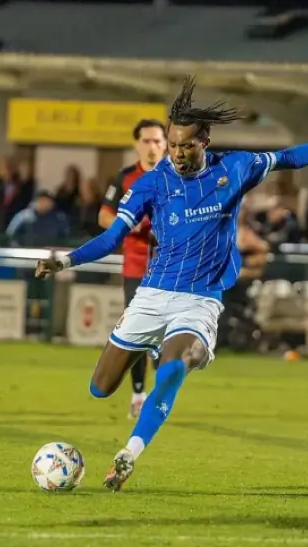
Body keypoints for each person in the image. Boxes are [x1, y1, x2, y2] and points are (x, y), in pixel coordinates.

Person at [35, 76, 308, 491]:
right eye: (173, 145)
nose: (178, 153)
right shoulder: (152, 183)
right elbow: (112, 238)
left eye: (186, 145)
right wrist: (66, 260)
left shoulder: (235, 168)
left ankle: (129, 454)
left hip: (200, 301)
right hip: (152, 294)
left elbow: (289, 157)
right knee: (100, 388)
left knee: (174, 366)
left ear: (205, 140)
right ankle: (153, 345)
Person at [98, 118, 166, 419]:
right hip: (137, 266)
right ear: (137, 144)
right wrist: (128, 225)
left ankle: (159, 393)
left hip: (172, 266)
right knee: (137, 333)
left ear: (166, 144)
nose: (152, 147)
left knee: (167, 333)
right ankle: (138, 395)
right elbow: (103, 215)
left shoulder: (178, 175)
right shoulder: (125, 177)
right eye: (147, 141)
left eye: (157, 141)